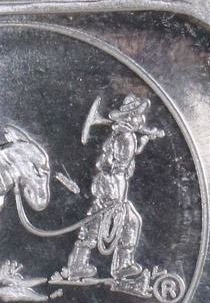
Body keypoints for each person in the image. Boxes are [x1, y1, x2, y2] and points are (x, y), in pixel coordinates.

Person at [65, 93, 164, 283]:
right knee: (123, 221)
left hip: (110, 184)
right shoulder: (125, 137)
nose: (140, 120)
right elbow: (119, 165)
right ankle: (118, 266)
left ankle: (81, 265)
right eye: (137, 116)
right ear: (130, 117)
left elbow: (126, 158)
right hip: (112, 185)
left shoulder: (124, 135)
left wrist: (143, 141)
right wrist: (116, 195)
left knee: (102, 221)